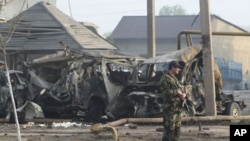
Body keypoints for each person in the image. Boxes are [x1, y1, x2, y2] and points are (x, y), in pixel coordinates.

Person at [160, 60, 186, 141]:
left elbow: (181, 88)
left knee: (177, 132)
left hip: (177, 109)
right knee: (169, 132)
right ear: (172, 68)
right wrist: (177, 92)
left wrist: (183, 94)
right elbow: (165, 92)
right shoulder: (165, 79)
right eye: (177, 68)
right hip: (170, 110)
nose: (179, 70)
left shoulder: (174, 79)